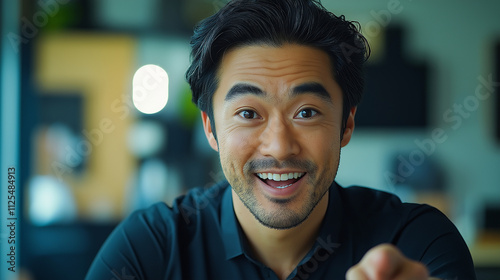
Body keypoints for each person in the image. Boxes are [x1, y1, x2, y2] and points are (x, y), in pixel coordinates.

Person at [86, 0, 476, 279]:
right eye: (248, 113)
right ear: (210, 128)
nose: (278, 147)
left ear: (346, 125)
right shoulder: (149, 250)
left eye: (306, 112)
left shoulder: (416, 244)